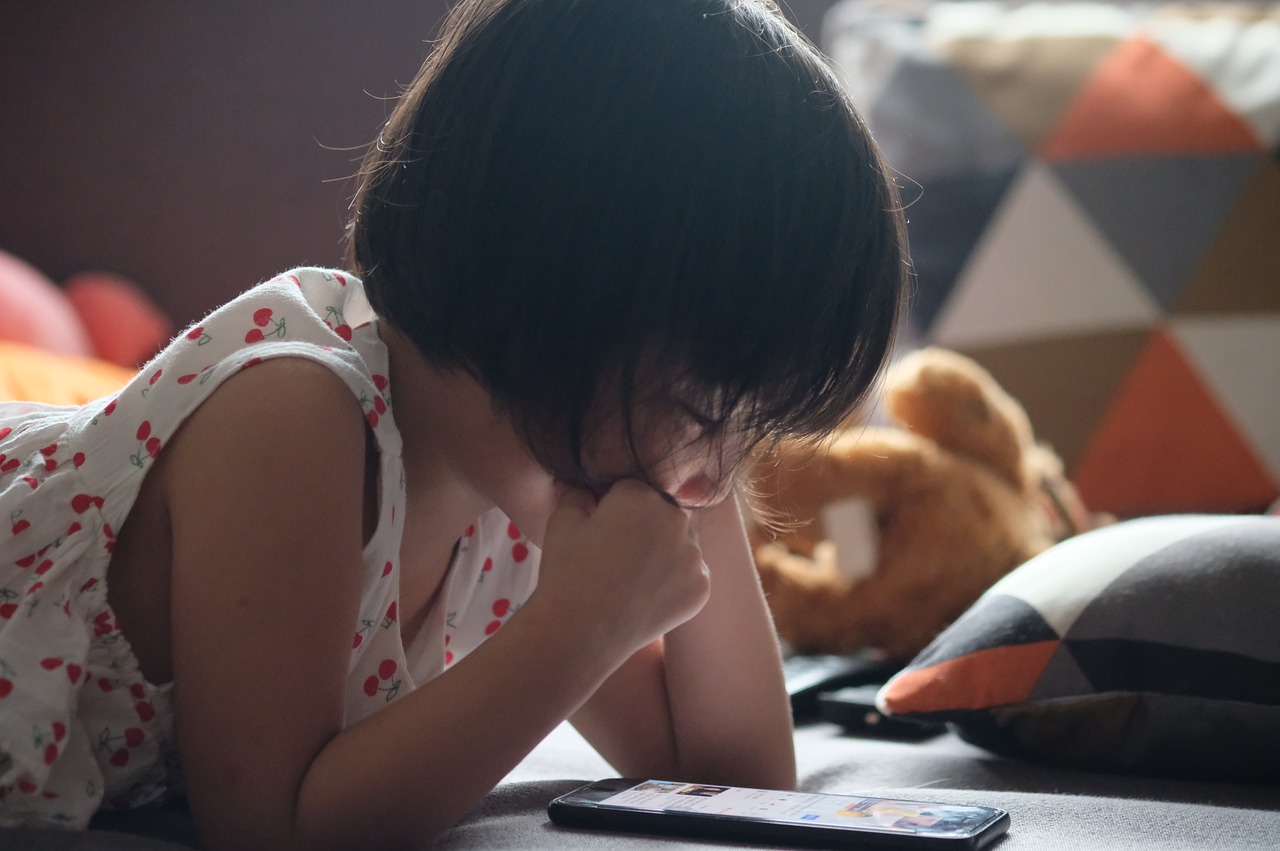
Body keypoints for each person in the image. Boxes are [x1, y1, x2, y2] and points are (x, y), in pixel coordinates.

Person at [0, 0, 907, 846]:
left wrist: (689, 497)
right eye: (709, 415)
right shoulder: (293, 415)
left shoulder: (514, 485)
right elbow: (270, 824)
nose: (716, 480)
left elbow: (733, 786)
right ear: (570, 306)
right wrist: (577, 628)